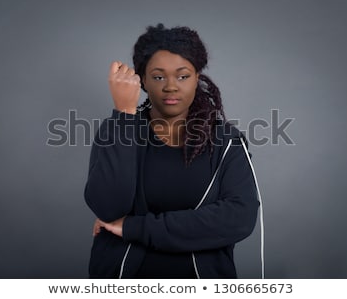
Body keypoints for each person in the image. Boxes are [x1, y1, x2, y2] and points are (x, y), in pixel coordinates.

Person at [84, 23, 262, 278]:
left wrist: (134, 228)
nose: (171, 86)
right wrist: (124, 115)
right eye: (158, 76)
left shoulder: (225, 141)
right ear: (142, 80)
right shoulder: (115, 131)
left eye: (182, 76)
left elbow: (238, 218)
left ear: (197, 78)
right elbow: (108, 208)